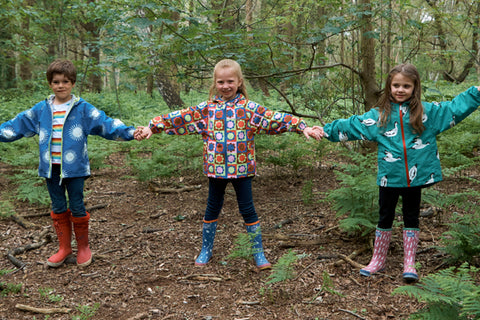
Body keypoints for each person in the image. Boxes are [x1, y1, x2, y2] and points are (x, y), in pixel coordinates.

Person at [135, 59, 321, 270]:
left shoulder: (248, 109)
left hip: (242, 169)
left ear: (239, 82)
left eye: (230, 81)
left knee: (248, 209)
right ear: (215, 83)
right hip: (216, 170)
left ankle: (258, 253)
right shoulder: (206, 110)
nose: (226, 86)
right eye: (221, 82)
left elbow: (273, 118)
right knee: (212, 208)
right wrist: (153, 126)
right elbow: (182, 118)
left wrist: (301, 126)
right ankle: (206, 249)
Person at [315, 63, 480, 282]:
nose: (400, 90)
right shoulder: (379, 116)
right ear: (389, 86)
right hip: (389, 177)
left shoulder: (427, 113)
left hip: (416, 177)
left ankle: (409, 262)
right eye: (396, 85)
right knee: (385, 216)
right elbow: (353, 125)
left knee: (411, 216)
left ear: (414, 88)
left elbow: (453, 108)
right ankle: (378, 259)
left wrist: (475, 92)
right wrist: (325, 131)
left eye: (406, 86)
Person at [0, 59, 136, 268]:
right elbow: (17, 125)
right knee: (57, 206)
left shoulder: (82, 109)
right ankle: (64, 248)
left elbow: (106, 124)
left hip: (75, 169)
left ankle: (83, 248)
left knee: (77, 205)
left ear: (72, 83)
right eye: (56, 82)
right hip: (50, 169)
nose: (60, 85)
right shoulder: (42, 109)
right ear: (50, 84)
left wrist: (131, 132)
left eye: (65, 81)